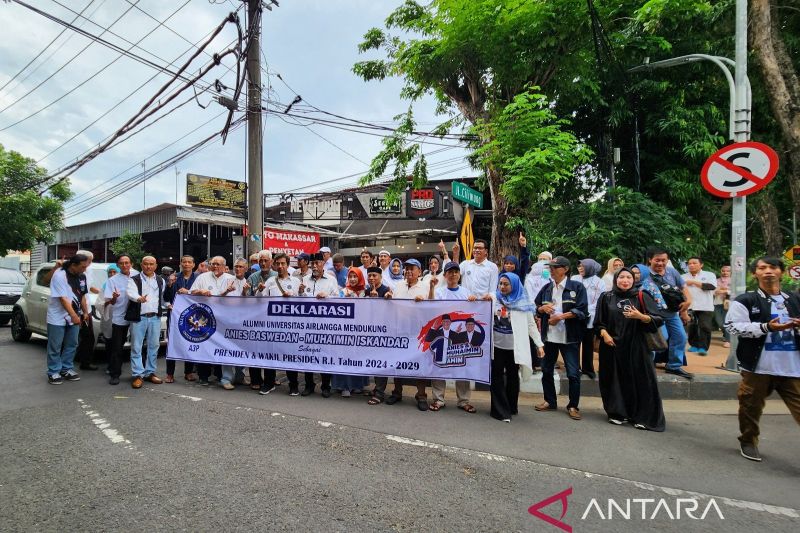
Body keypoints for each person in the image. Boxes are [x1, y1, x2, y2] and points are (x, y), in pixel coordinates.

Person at [724, 256, 800, 462]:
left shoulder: (793, 299)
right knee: (750, 407)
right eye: (762, 268)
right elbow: (732, 326)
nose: (768, 271)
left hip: (792, 368)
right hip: (758, 367)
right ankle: (748, 441)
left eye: (773, 267)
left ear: (781, 272)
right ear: (754, 273)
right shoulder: (746, 300)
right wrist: (766, 327)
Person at [594, 268, 666, 431]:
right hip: (612, 346)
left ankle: (643, 417)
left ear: (634, 280)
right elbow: (599, 322)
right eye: (621, 277)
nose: (625, 280)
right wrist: (604, 334)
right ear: (615, 279)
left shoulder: (642, 296)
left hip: (637, 346)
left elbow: (659, 319)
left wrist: (640, 316)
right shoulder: (606, 297)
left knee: (642, 380)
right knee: (613, 380)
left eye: (628, 277)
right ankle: (617, 413)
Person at [534, 256, 588, 420]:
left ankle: (573, 405)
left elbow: (582, 311)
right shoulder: (547, 288)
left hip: (569, 337)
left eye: (555, 267)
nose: (551, 269)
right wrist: (542, 308)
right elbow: (536, 308)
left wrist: (560, 317)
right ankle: (550, 401)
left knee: (573, 373)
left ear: (565, 269)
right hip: (549, 337)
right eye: (550, 267)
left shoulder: (576, 287)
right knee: (546, 370)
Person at [492, 272, 544, 422]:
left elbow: (530, 325)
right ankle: (500, 411)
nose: (502, 287)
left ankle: (511, 406)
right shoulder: (494, 298)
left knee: (513, 377)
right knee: (496, 377)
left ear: (514, 285)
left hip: (514, 347)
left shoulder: (523, 301)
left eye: (506, 284)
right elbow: (479, 303)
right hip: (496, 346)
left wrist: (539, 344)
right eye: (500, 284)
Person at [428, 261, 477, 413]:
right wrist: (431, 288)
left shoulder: (466, 292)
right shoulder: (440, 291)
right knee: (439, 365)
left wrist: (474, 301)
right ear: (445, 275)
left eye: (456, 272)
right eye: (450, 272)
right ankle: (438, 399)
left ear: (459, 275)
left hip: (459, 335)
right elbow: (430, 305)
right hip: (442, 335)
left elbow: (474, 312)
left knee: (462, 366)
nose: (453, 274)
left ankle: (463, 400)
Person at [384, 258, 430, 411]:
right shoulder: (398, 286)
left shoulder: (425, 287)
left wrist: (424, 301)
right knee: (397, 362)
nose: (409, 271)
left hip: (418, 332)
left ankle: (421, 395)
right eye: (407, 268)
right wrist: (389, 299)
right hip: (400, 329)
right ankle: (397, 392)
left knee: (420, 364)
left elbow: (433, 305)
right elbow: (394, 306)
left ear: (419, 271)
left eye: (413, 268)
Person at [255, 253, 302, 395]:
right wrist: (260, 290)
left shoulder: (296, 281)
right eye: (278, 264)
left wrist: (295, 295)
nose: (280, 266)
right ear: (274, 265)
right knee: (270, 354)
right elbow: (258, 300)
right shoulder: (269, 281)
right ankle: (269, 383)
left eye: (283, 264)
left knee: (289, 355)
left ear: (288, 265)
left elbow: (303, 302)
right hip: (272, 324)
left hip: (290, 325)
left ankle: (293, 384)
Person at [645, 247, 693, 379]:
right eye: (657, 260)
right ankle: (647, 365)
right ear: (650, 260)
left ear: (667, 260)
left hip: (672, 314)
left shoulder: (672, 272)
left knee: (681, 337)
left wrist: (688, 301)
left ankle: (674, 366)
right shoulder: (644, 274)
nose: (660, 263)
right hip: (654, 315)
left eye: (663, 260)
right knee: (660, 338)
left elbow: (684, 288)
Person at [191, 256, 236, 388]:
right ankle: (203, 376)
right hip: (205, 319)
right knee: (204, 346)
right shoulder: (202, 277)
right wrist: (200, 291)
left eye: (218, 264)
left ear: (224, 265)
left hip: (225, 319)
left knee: (223, 347)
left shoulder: (231, 279)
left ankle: (222, 376)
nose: (215, 266)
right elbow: (192, 292)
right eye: (212, 264)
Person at [299, 253, 339, 398]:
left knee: (324, 355)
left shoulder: (331, 280)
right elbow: (299, 302)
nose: (315, 266)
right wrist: (301, 292)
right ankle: (309, 385)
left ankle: (325, 386)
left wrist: (328, 298)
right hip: (307, 325)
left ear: (323, 264)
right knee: (308, 355)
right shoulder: (304, 280)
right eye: (313, 263)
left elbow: (338, 299)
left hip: (324, 325)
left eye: (318, 263)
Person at [46, 254, 90, 384]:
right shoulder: (60, 275)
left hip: (74, 315)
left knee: (72, 343)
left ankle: (66, 368)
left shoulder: (82, 276)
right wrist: (74, 316)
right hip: (57, 317)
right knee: (55, 345)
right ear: (73, 265)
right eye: (82, 267)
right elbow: (63, 299)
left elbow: (82, 295)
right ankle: (53, 371)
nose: (85, 269)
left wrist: (85, 312)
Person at [125, 256, 165, 389]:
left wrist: (168, 305)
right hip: (139, 318)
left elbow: (161, 297)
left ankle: (150, 372)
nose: (148, 266)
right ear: (141, 265)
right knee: (136, 346)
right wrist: (139, 298)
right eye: (146, 264)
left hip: (155, 318)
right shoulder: (134, 279)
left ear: (156, 265)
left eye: (151, 264)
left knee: (154, 346)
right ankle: (138, 374)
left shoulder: (160, 280)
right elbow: (130, 293)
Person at [332, 267, 371, 397]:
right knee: (345, 357)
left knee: (357, 357)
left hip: (361, 331)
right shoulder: (343, 292)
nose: (353, 279)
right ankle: (344, 386)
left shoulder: (366, 292)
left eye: (355, 276)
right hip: (345, 331)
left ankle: (357, 385)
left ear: (360, 277)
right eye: (350, 277)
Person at [163, 254, 198, 383]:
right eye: (184, 262)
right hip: (174, 315)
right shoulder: (174, 277)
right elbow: (166, 297)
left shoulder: (198, 278)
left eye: (189, 262)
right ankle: (169, 373)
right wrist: (170, 285)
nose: (187, 264)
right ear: (181, 264)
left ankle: (188, 372)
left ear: (193, 265)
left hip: (192, 316)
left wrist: (188, 292)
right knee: (171, 343)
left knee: (189, 341)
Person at [571, 259, 606, 379]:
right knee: (575, 343)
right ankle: (574, 367)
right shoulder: (575, 278)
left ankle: (588, 368)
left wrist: (587, 310)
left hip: (590, 315)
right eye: (579, 266)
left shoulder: (599, 282)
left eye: (583, 267)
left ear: (590, 268)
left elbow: (600, 299)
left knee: (588, 343)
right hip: (575, 314)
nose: (580, 268)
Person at [105, 255, 134, 385]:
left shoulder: (138, 276)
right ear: (118, 265)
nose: (124, 265)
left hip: (136, 316)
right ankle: (115, 374)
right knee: (117, 346)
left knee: (138, 346)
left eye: (127, 263)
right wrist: (114, 297)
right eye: (121, 263)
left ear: (131, 264)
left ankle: (140, 374)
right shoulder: (113, 280)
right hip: (119, 317)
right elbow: (109, 301)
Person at [683, 257, 717, 355]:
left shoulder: (709, 275)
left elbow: (711, 286)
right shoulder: (683, 276)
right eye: (689, 263)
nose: (691, 265)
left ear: (701, 265)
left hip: (705, 305)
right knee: (692, 326)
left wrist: (693, 282)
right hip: (690, 305)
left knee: (705, 326)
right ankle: (694, 345)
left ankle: (703, 347)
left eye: (694, 263)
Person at [73, 250, 98, 371]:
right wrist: (84, 312)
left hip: (86, 308)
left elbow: (89, 288)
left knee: (88, 337)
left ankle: (84, 360)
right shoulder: (74, 273)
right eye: (89, 261)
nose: (89, 264)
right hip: (76, 310)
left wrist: (102, 292)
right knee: (83, 336)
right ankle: (83, 361)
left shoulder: (88, 272)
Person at [714, 265, 732, 348]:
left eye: (727, 271)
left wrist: (724, 290)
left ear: (731, 272)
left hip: (729, 304)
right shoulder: (716, 280)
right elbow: (714, 292)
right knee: (719, 322)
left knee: (726, 321)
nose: (725, 273)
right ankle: (725, 334)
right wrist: (725, 290)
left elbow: (733, 292)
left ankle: (728, 340)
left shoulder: (734, 281)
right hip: (717, 303)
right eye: (723, 271)